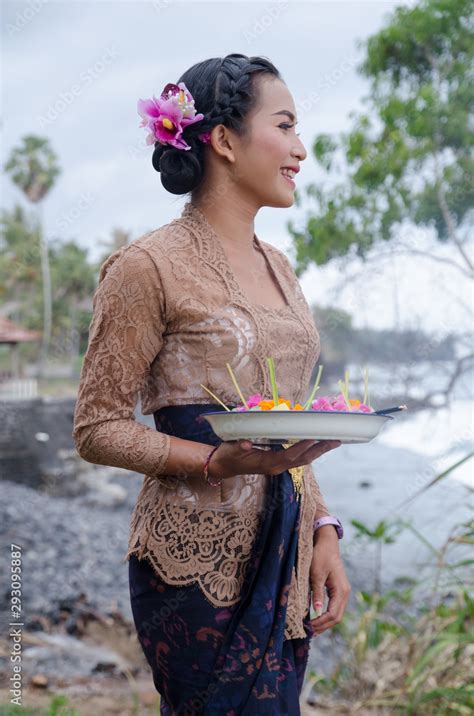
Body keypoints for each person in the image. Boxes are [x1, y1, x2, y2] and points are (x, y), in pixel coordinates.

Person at [72, 53, 351, 715]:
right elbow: (95, 428)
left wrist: (326, 529)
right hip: (194, 560)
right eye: (284, 126)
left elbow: (287, 424)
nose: (300, 150)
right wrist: (211, 460)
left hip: (284, 551)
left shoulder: (281, 267)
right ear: (223, 140)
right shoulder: (146, 268)